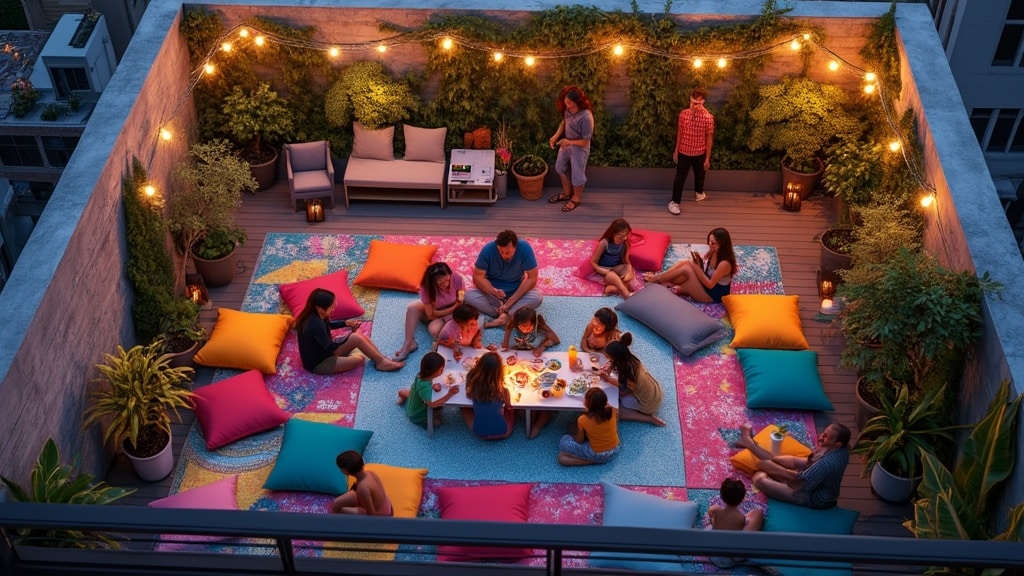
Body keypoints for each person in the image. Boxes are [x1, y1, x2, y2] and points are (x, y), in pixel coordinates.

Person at [734, 422, 851, 509]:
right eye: (824, 433)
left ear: (837, 444)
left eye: (826, 437)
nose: (821, 437)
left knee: (758, 478)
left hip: (812, 496)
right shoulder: (843, 449)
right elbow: (802, 463)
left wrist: (774, 469)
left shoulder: (825, 464)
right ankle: (749, 443)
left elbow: (797, 482)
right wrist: (774, 462)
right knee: (774, 460)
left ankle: (749, 443)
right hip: (812, 480)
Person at [296, 288, 403, 374]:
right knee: (359, 358)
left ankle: (381, 359)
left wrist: (345, 323)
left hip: (325, 349)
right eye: (332, 307)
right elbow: (329, 347)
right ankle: (380, 362)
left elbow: (328, 326)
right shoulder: (315, 324)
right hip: (320, 362)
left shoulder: (316, 315)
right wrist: (349, 338)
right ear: (320, 308)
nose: (333, 309)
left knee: (358, 336)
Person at [464, 229, 544, 328]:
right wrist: (493, 291)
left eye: (508, 252)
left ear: (516, 247)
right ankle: (502, 313)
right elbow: (477, 277)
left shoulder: (524, 248)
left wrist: (511, 301)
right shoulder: (488, 249)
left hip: (516, 291)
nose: (504, 255)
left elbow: (532, 278)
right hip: (493, 294)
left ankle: (505, 314)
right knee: (468, 295)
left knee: (537, 297)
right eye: (501, 251)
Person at [394, 262, 465, 362]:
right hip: (437, 312)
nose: (446, 284)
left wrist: (456, 308)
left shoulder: (456, 278)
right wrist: (453, 308)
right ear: (434, 283)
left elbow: (461, 299)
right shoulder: (427, 287)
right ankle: (408, 342)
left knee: (434, 329)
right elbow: (430, 314)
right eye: (441, 283)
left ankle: (452, 342)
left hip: (451, 311)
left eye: (447, 280)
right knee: (412, 307)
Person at [642, 227, 736, 303]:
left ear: (721, 244)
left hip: (711, 296)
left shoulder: (725, 264)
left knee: (687, 270)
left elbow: (710, 285)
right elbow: (704, 260)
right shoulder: (713, 250)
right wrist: (698, 261)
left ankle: (657, 279)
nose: (709, 245)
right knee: (686, 263)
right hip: (704, 287)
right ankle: (659, 278)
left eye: (713, 243)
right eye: (709, 242)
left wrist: (696, 267)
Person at [546, 85, 594, 213]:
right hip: (567, 144)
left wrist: (569, 141)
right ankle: (567, 193)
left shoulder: (586, 117)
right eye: (565, 102)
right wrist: (555, 136)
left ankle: (576, 198)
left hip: (580, 147)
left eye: (569, 103)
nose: (566, 106)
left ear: (577, 102)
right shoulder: (568, 110)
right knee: (559, 167)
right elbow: (564, 122)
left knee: (577, 175)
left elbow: (585, 141)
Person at [600, 333, 666, 426]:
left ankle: (649, 418)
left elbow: (627, 390)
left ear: (617, 358)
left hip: (648, 403)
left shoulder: (628, 372)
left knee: (617, 410)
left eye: (609, 357)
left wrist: (607, 379)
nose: (607, 358)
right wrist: (610, 366)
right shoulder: (630, 359)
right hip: (655, 391)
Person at [668, 87, 714, 214]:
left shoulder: (708, 118)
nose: (694, 106)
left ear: (703, 103)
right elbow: (680, 132)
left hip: (700, 152)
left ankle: (699, 193)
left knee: (700, 174)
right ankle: (675, 202)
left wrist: (707, 158)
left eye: (697, 103)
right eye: (692, 102)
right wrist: (676, 150)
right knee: (679, 178)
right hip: (684, 152)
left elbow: (709, 139)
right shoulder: (683, 114)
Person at [705, 477, 764, 569]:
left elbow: (711, 516)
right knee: (758, 513)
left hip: (714, 552)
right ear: (742, 499)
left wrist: (712, 518)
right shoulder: (740, 517)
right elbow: (739, 534)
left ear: (722, 496)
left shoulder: (716, 510)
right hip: (729, 557)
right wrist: (747, 520)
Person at [460, 351, 516, 440]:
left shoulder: (472, 382)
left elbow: (468, 395)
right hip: (504, 432)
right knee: (510, 410)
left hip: (480, 433)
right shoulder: (503, 391)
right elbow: (508, 406)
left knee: (462, 407)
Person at [558, 387, 620, 466]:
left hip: (598, 454)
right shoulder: (613, 410)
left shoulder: (583, 419)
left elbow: (579, 440)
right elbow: (616, 423)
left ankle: (589, 461)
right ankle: (595, 458)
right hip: (615, 449)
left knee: (562, 448)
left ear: (587, 403)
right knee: (573, 428)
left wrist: (574, 433)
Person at [398, 352, 460, 428]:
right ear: (433, 372)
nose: (442, 371)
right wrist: (450, 394)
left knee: (402, 392)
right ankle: (423, 419)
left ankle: (402, 400)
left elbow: (423, 386)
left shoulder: (420, 375)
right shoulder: (425, 387)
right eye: (441, 369)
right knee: (438, 422)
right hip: (417, 415)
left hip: (414, 399)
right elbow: (432, 404)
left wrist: (432, 385)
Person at [330, 450, 394, 516]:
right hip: (388, 507)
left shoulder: (362, 488)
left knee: (338, 509)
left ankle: (333, 523)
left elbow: (371, 515)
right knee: (336, 503)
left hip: (383, 516)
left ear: (346, 470)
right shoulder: (370, 473)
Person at [588, 218, 635, 298]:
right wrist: (604, 271)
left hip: (615, 267)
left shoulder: (624, 243)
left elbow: (627, 262)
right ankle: (625, 293)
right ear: (613, 234)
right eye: (619, 237)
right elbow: (593, 262)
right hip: (603, 269)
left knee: (628, 274)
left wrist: (629, 273)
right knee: (612, 275)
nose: (623, 239)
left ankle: (612, 289)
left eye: (625, 236)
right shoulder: (604, 243)